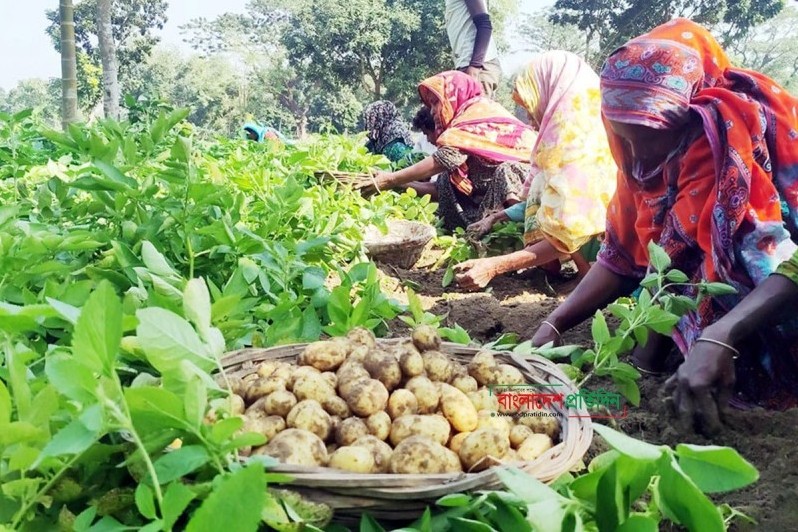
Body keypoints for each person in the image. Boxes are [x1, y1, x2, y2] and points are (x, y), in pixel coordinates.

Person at [528, 19, 798, 435]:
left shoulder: (726, 140)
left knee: (721, 262)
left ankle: (757, 367)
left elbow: (678, 264)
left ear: (691, 117)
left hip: (775, 300)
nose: (637, 155)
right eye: (624, 136)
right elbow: (620, 255)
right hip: (698, 311)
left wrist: (711, 338)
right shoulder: (637, 157)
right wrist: (554, 324)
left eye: (648, 136)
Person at [453, 51, 617, 291]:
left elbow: (566, 232)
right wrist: (495, 217)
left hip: (616, 259)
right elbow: (544, 205)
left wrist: (494, 266)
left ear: (555, 96)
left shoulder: (581, 149)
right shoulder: (571, 140)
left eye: (531, 107)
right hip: (597, 246)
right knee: (541, 185)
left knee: (541, 187)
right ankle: (575, 274)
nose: (530, 120)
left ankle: (589, 277)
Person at [371, 71, 537, 231]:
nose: (432, 111)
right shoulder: (463, 118)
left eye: (436, 102)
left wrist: (390, 179)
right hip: (492, 193)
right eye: (430, 105)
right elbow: (440, 189)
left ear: (453, 96)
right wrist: (398, 183)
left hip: (531, 188)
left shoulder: (476, 112)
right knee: (446, 179)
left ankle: (526, 230)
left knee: (506, 170)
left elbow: (444, 159)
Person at [445, 0, 501, 98]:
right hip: (468, 65)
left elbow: (484, 24)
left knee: (477, 112)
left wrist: (474, 68)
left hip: (478, 67)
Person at [362, 101, 424, 170]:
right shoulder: (372, 143)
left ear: (382, 120)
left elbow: (411, 171)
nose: (369, 124)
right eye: (368, 119)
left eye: (373, 120)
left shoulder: (397, 146)